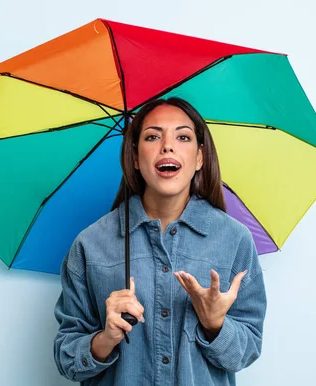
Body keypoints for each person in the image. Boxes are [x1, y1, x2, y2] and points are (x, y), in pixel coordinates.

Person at [53, 97, 266, 385]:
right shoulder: (90, 244)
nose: (167, 145)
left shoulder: (235, 240)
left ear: (200, 157)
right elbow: (67, 359)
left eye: (183, 136)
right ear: (136, 157)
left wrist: (215, 324)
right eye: (153, 136)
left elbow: (247, 352)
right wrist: (106, 338)